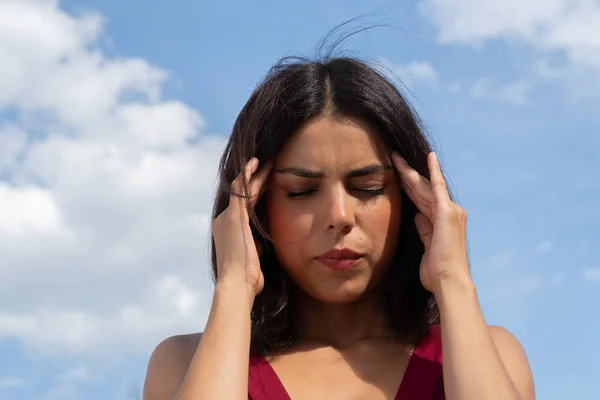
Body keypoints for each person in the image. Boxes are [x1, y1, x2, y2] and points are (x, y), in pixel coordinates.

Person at [142, 55, 535, 399]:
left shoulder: (492, 355)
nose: (340, 215)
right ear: (256, 210)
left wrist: (452, 278)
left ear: (413, 200)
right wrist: (234, 285)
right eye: (301, 191)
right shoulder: (182, 364)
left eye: (368, 187)